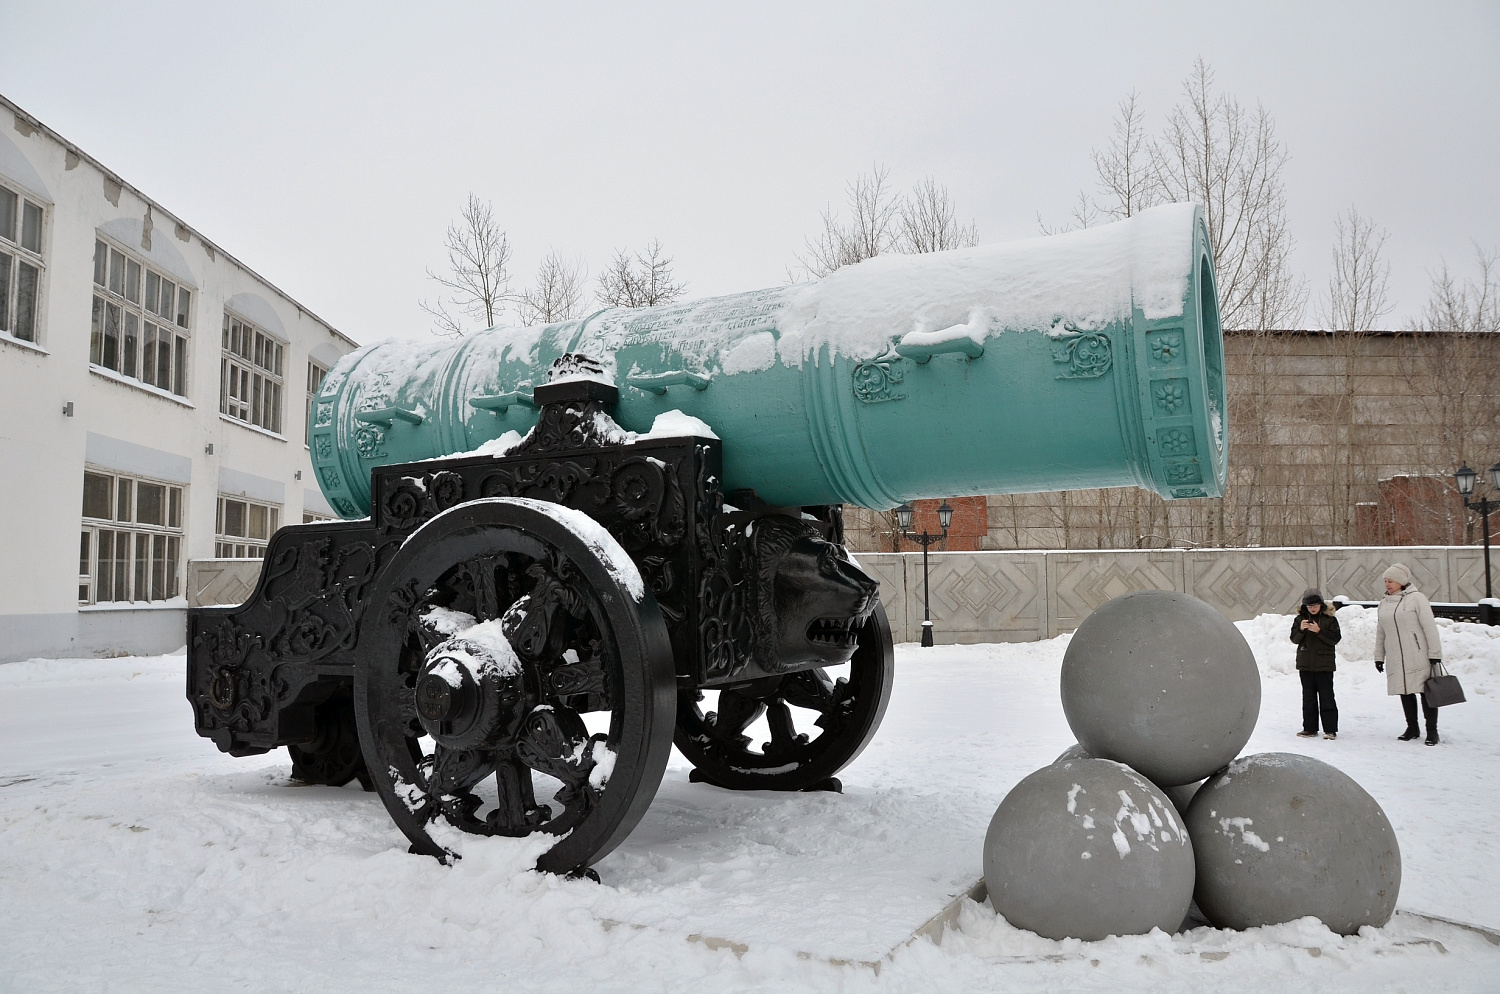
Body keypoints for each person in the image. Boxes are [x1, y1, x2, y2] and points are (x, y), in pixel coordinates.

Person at [1372, 563, 1445, 745]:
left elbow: (1429, 627)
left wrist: (1435, 653)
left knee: (1426, 692)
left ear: (1401, 581)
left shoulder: (1417, 599)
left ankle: (1432, 731)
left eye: (1391, 581)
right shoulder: (1384, 603)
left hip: (1418, 654)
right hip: (1396, 656)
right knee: (1404, 690)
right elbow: (1381, 632)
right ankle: (1412, 727)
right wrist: (1379, 657)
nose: (1387, 584)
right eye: (1385, 581)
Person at [1289, 589, 1341, 739]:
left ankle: (1330, 729)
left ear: (1321, 605)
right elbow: (1294, 639)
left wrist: (1319, 631)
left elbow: (1335, 639)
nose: (1312, 608)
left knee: (1327, 697)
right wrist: (1301, 629)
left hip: (1324, 665)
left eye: (1315, 605)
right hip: (1305, 664)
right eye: (1309, 606)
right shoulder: (1300, 620)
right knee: (1308, 698)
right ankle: (1309, 728)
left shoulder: (1329, 619)